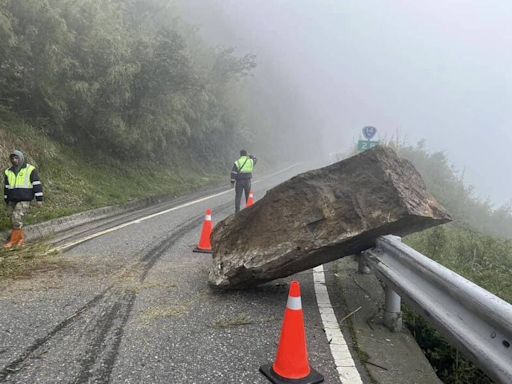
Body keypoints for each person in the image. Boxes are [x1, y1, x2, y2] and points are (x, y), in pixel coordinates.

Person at [3, 150, 43, 249]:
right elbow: (6, 187)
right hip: (12, 199)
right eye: (12, 158)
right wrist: (6, 199)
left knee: (16, 217)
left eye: (16, 158)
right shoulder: (8, 171)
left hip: (25, 198)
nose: (14, 160)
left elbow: (36, 184)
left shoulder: (30, 169)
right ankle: (20, 239)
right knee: (14, 219)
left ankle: (14, 241)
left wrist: (39, 199)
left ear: (21, 158)